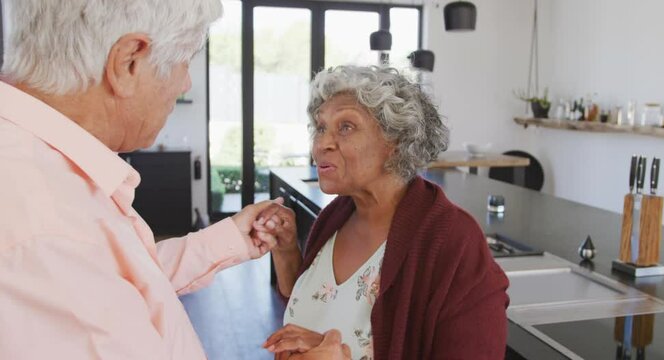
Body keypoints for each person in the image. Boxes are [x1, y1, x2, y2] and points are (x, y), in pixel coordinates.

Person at [0, 1, 348, 359]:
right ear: (128, 62)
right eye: (185, 61)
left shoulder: (39, 177)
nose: (185, 83)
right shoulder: (46, 233)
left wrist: (228, 237)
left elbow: (121, 283)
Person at [262, 66, 510, 359]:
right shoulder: (336, 216)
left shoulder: (453, 241)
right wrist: (286, 252)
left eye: (346, 127)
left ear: (395, 143)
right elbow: (314, 308)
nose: (321, 144)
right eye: (320, 127)